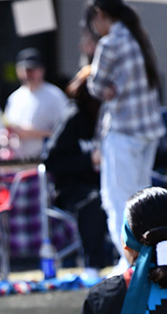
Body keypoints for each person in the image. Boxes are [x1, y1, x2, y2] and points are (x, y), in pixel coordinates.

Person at [85, 0, 165, 266]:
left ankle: (130, 260)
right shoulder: (137, 38)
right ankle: (150, 256)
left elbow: (95, 84)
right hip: (148, 131)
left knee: (118, 201)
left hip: (123, 132)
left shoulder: (110, 43)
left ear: (100, 14)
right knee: (143, 197)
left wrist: (102, 87)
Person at [43, 66, 109, 268]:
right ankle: (92, 264)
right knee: (94, 201)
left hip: (102, 183)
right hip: (71, 190)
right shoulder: (73, 117)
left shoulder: (108, 117)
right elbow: (51, 160)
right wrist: (89, 160)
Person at [3, 48, 69, 161]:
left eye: (31, 69)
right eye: (24, 70)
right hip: (19, 162)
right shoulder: (14, 97)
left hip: (46, 160)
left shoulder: (55, 95)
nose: (28, 74)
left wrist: (34, 133)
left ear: (41, 70)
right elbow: (8, 128)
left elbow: (67, 133)